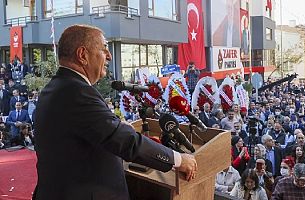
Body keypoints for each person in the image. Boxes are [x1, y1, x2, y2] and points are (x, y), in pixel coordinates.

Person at [33, 24, 197, 200]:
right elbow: (125, 141)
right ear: (82, 55)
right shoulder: (78, 92)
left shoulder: (55, 88)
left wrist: (115, 127)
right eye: (104, 49)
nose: (109, 56)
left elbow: (87, 135)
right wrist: (177, 159)